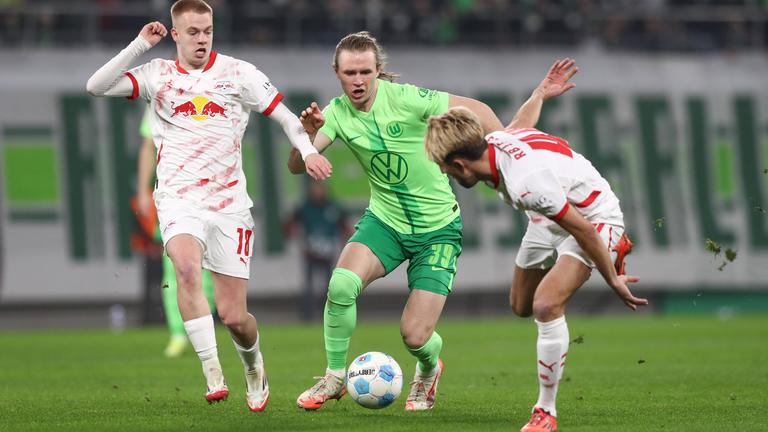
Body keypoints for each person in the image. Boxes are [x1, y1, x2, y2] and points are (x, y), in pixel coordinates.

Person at [287, 31, 573, 412]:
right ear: (336, 73)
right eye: (350, 73)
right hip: (385, 223)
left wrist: (506, 150)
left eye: (365, 72)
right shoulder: (335, 114)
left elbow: (479, 109)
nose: (358, 81)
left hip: (437, 230)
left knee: (414, 336)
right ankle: (335, 377)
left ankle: (428, 367)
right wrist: (306, 138)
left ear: (377, 71)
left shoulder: (407, 99)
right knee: (340, 284)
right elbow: (294, 165)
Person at [86, 0, 331, 412]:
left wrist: (306, 151)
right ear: (175, 34)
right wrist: (138, 45)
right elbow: (95, 86)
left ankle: (254, 366)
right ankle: (212, 371)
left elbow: (289, 119)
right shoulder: (157, 75)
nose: (202, 39)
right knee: (183, 268)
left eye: (208, 31)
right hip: (179, 198)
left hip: (229, 205)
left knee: (234, 316)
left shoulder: (239, 73)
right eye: (193, 32)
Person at [423, 91, 647, 430]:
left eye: (444, 166)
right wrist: (540, 93)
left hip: (594, 217)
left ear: (460, 164)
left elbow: (584, 230)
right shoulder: (496, 139)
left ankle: (546, 411)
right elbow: (522, 123)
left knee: (545, 305)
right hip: (548, 217)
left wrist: (612, 278)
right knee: (521, 304)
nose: (444, 172)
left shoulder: (527, 185)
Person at [135, 107, 217, 358]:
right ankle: (178, 333)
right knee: (175, 266)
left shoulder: (211, 93)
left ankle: (203, 330)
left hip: (210, 194)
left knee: (209, 268)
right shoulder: (159, 96)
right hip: (173, 196)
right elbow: (148, 146)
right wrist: (142, 191)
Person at [284, 179, 353, 321]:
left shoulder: (334, 207)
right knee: (308, 284)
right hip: (311, 251)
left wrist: (348, 246)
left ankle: (328, 313)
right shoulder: (305, 207)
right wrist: (294, 237)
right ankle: (307, 315)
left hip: (329, 252)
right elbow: (290, 224)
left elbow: (345, 227)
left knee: (330, 284)